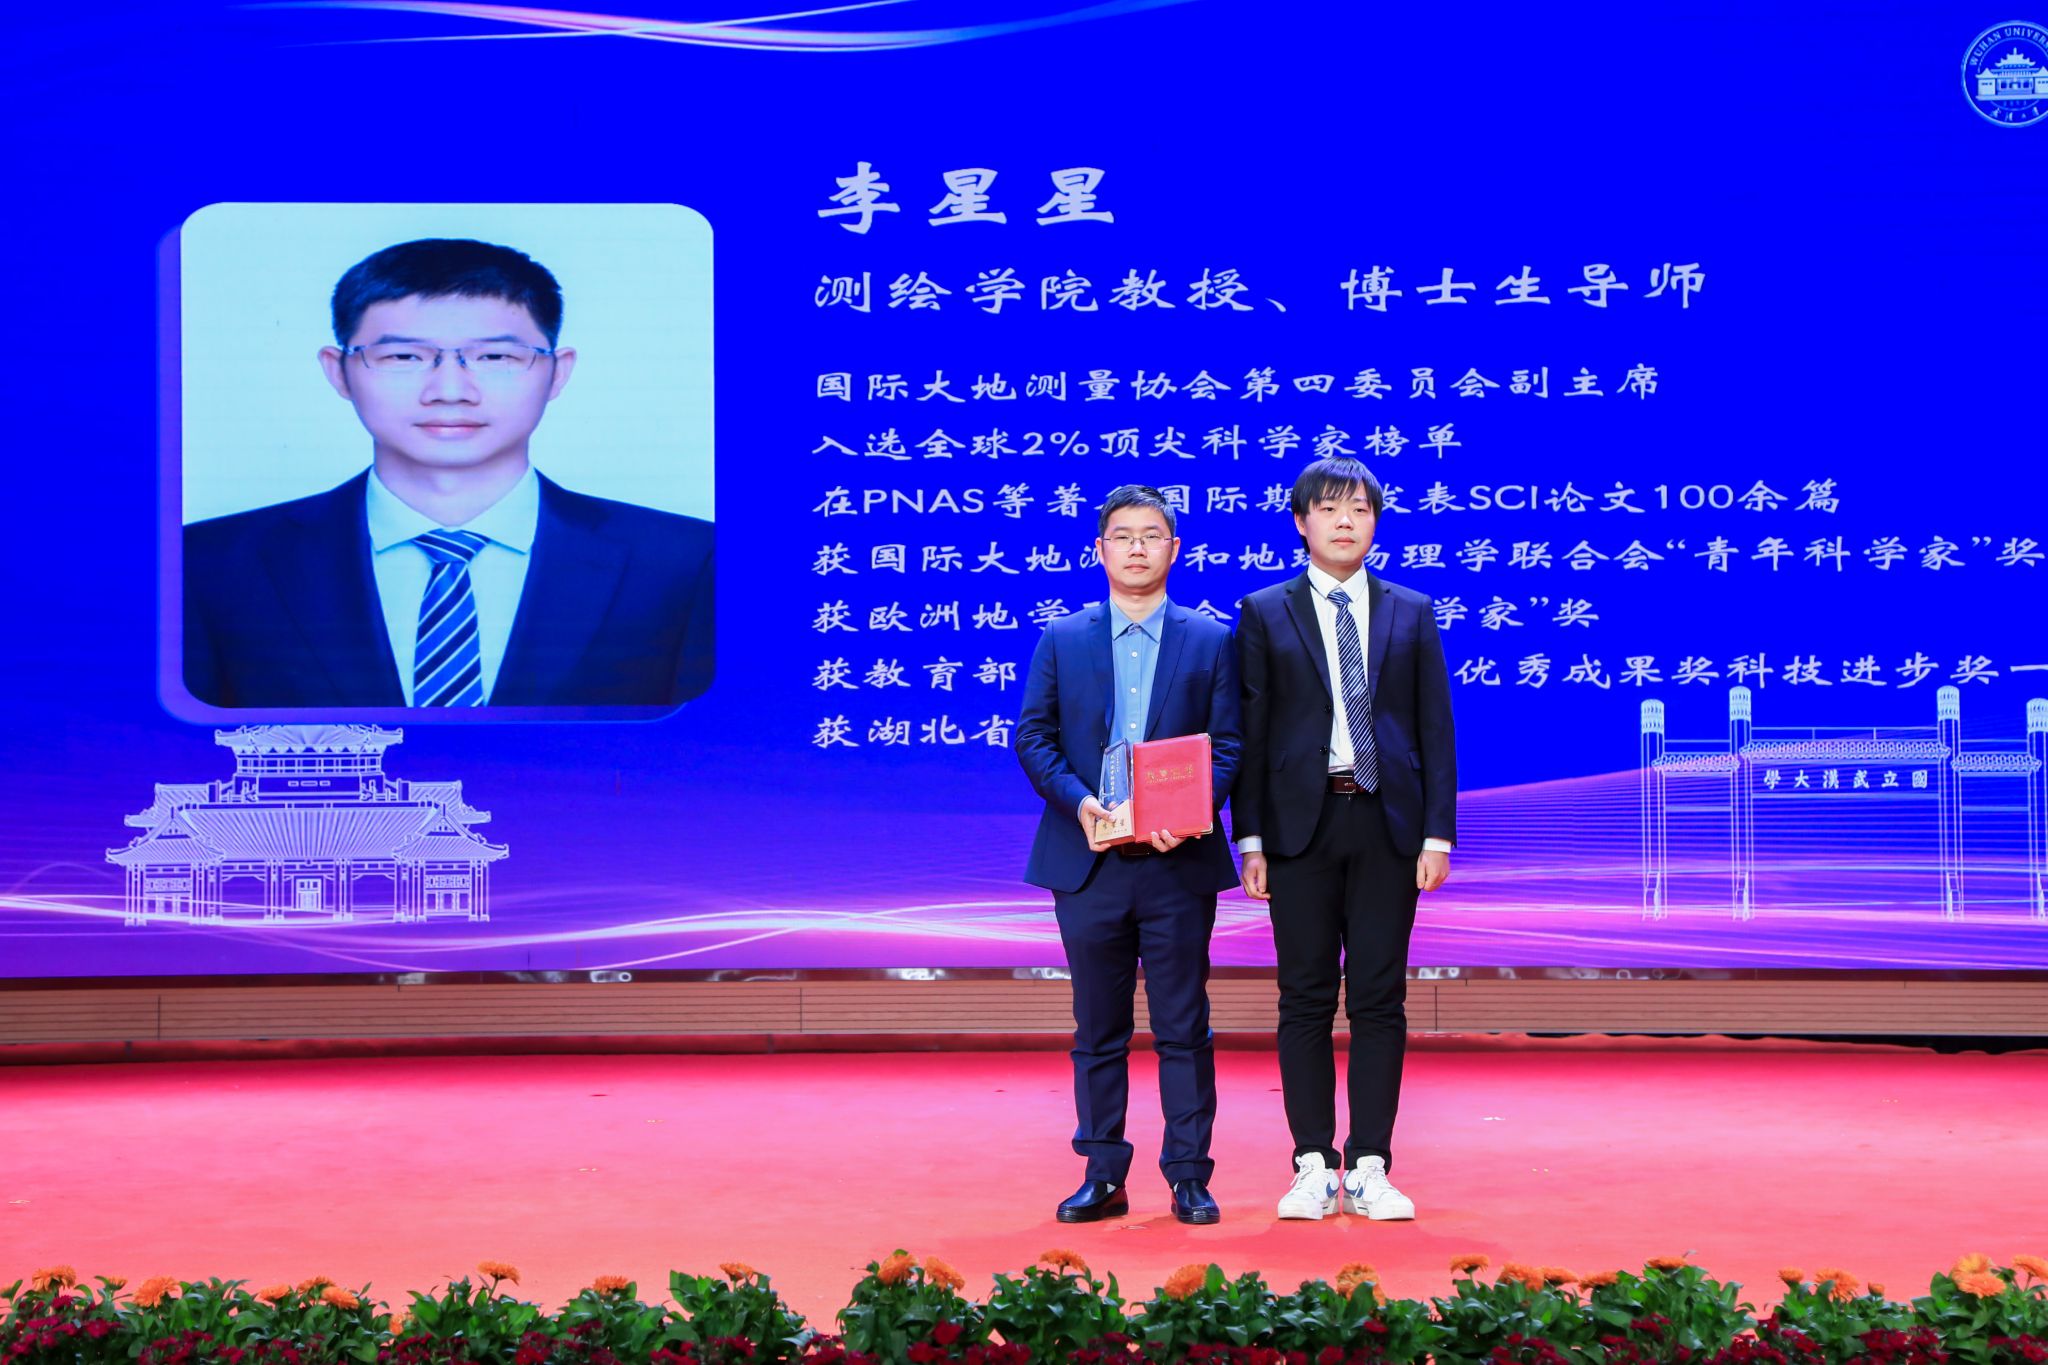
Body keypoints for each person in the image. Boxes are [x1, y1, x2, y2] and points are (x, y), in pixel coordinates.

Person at [182, 237, 714, 710]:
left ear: (557, 372)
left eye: (496, 357)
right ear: (338, 370)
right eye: (404, 357)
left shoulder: (687, 562)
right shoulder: (208, 562)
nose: (451, 391)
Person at [1232, 456, 1457, 1222]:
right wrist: (1250, 836)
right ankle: (1310, 1163)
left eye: (1359, 508)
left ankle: (1369, 1163)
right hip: (1300, 826)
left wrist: (1437, 833)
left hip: (1388, 822)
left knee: (1379, 997)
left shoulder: (1410, 610)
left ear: (1375, 522)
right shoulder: (1264, 610)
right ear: (1302, 522)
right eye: (1329, 508)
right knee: (1303, 996)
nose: (1345, 521)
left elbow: (1434, 728)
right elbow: (1251, 733)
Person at [1015, 485, 1242, 1225]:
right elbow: (1034, 738)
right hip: (1089, 860)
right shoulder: (1063, 637)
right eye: (1123, 535)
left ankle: (1189, 1174)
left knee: (1184, 1023)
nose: (1137, 547)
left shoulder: (1210, 639)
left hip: (1177, 861)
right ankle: (1102, 1171)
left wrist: (1191, 809)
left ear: (1174, 549)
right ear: (1100, 549)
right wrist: (1082, 802)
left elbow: (1229, 744)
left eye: (1151, 535)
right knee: (1098, 1026)